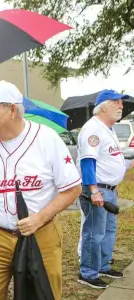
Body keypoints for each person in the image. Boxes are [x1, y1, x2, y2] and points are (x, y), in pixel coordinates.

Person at [0, 80, 82, 300]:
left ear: (12, 109)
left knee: (44, 294)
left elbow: (72, 189)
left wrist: (40, 218)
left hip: (40, 232)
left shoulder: (46, 138)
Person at [76, 89, 134, 289]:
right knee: (94, 232)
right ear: (103, 107)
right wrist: (94, 191)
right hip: (98, 189)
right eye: (116, 102)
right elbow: (88, 163)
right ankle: (88, 273)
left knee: (108, 230)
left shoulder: (107, 128)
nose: (121, 106)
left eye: (121, 102)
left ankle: (102, 265)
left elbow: (110, 158)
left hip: (110, 189)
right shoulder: (93, 129)